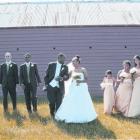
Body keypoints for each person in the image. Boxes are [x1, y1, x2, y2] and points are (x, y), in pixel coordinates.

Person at [55, 56, 97, 123]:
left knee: (82, 100)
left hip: (81, 88)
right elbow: (67, 78)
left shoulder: (83, 69)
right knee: (71, 100)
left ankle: (84, 115)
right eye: (72, 61)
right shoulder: (71, 70)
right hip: (73, 87)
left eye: (74, 61)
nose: (72, 63)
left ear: (78, 62)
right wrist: (62, 78)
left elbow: (86, 79)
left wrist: (81, 81)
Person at [44, 53, 69, 118]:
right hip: (51, 86)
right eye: (63, 59)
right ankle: (52, 113)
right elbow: (46, 76)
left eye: (64, 59)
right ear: (58, 58)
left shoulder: (65, 67)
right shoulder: (51, 64)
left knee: (59, 103)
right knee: (51, 102)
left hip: (60, 87)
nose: (64, 60)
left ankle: (58, 116)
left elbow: (67, 76)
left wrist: (62, 78)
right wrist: (46, 85)